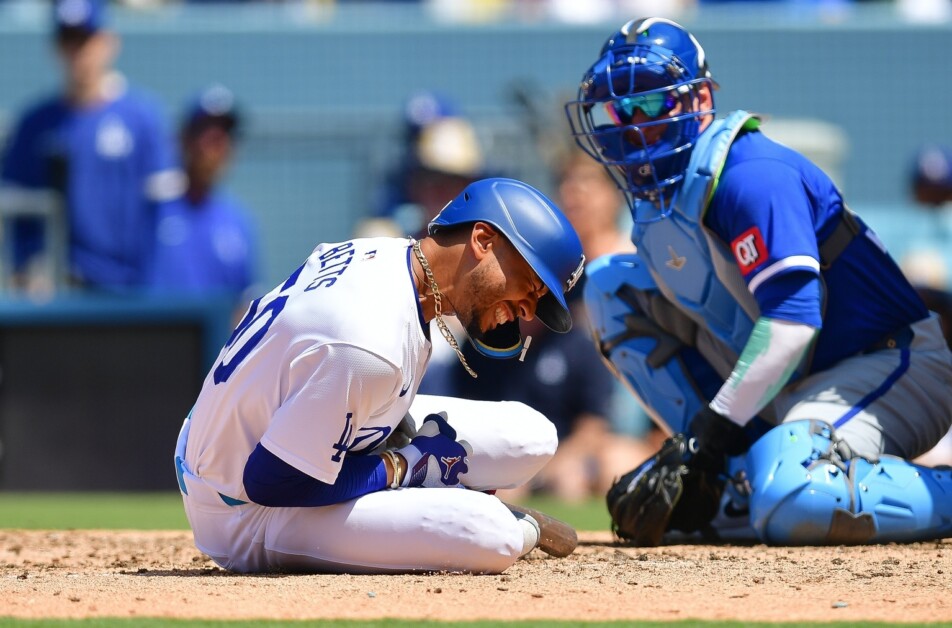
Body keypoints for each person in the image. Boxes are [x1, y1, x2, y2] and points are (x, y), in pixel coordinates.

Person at [564, 17, 952, 546]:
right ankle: (733, 476)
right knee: (610, 287)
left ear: (698, 102)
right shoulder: (662, 205)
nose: (632, 124)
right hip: (792, 384)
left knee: (796, 493)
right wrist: (698, 458)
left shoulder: (750, 173)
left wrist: (707, 436)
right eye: (616, 109)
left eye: (651, 104)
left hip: (886, 363)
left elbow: (794, 323)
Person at [174, 177, 587, 574]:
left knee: (534, 435)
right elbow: (270, 481)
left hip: (256, 425)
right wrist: (401, 467)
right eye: (530, 286)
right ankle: (461, 503)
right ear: (482, 240)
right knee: (494, 534)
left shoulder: (388, 256)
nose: (529, 311)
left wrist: (389, 428)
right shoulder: (368, 339)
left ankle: (423, 486)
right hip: (242, 506)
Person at [0, 0, 182, 291]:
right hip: (59, 292)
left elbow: (167, 216)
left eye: (85, 39)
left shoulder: (142, 118)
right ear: (55, 48)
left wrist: (153, 287)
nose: (78, 53)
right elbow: (17, 211)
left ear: (108, 42)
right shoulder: (35, 124)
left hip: (128, 290)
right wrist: (29, 266)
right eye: (69, 40)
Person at [149, 84, 259, 310]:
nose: (215, 145)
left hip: (217, 344)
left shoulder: (239, 222)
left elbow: (245, 306)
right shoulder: (149, 210)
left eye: (224, 134)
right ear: (184, 139)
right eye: (206, 132)